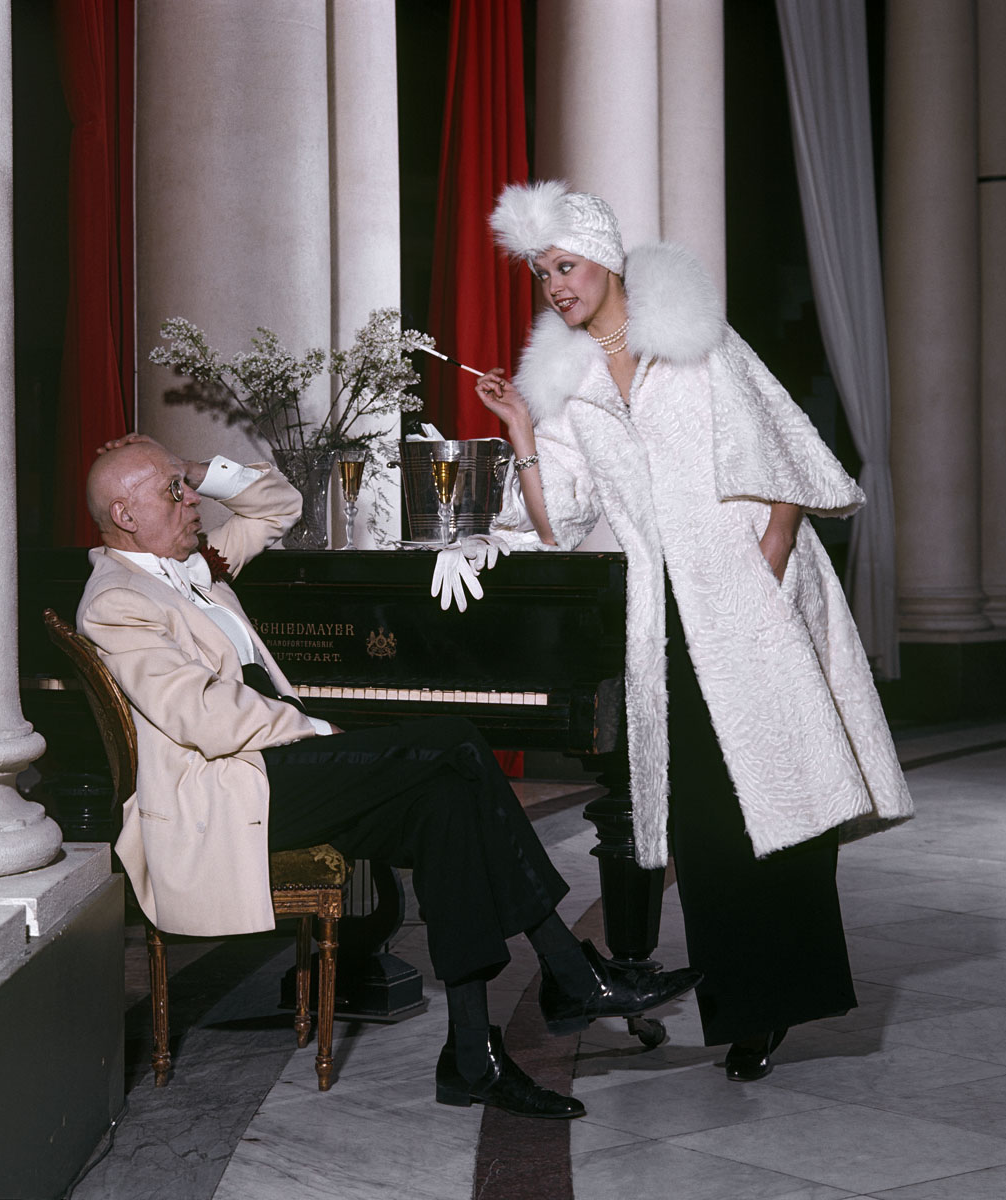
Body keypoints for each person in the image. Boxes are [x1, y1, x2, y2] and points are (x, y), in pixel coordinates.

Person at [77, 433, 701, 1118]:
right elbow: (203, 718)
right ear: (124, 514)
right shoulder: (117, 599)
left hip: (266, 770)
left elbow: (278, 503)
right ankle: (570, 973)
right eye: (173, 491)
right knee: (455, 745)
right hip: (227, 793)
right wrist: (315, 729)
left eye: (186, 484)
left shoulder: (197, 563)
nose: (191, 497)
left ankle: (473, 1052)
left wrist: (191, 465)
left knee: (444, 806)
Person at [474, 180, 914, 1082]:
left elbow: (784, 448)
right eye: (539, 273)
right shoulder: (568, 385)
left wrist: (773, 552)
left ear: (603, 257)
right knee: (710, 816)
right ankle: (743, 1008)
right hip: (661, 610)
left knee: (783, 795)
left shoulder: (695, 343)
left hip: (751, 586)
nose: (553, 286)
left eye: (564, 265)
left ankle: (779, 1000)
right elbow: (556, 518)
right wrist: (520, 429)